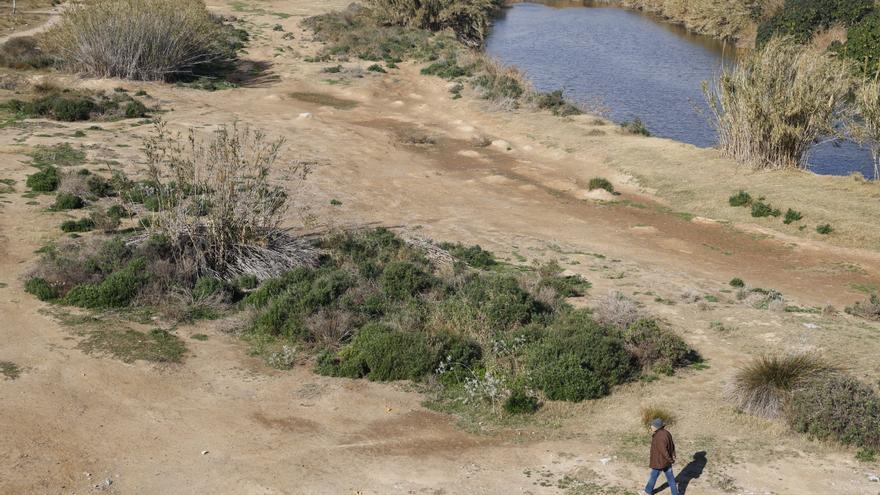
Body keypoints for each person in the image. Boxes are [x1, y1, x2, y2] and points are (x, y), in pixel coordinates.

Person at [644, 418, 679, 495]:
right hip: (666, 462)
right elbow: (672, 445)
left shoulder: (659, 436)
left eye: (652, 426)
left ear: (657, 427)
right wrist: (673, 454)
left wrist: (670, 460)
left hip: (660, 462)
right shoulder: (667, 433)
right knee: (671, 479)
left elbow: (664, 451)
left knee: (653, 476)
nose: (651, 427)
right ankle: (675, 493)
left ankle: (647, 492)